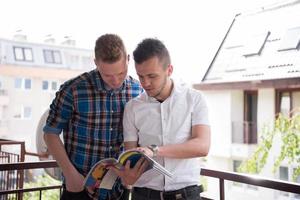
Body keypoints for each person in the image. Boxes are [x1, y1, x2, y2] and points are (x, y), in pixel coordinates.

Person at [43, 34, 143, 200]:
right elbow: (50, 133)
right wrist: (70, 175)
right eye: (107, 75)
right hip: (79, 186)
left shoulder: (138, 91)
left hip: (120, 188)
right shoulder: (73, 90)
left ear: (128, 59)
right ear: (96, 62)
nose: (115, 81)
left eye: (121, 73)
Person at [112, 38, 211, 200]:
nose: (145, 83)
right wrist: (128, 176)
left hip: (186, 194)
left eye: (152, 76)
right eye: (141, 76)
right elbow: (130, 154)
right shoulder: (132, 107)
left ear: (169, 70)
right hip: (144, 195)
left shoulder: (194, 99)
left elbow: (202, 146)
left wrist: (155, 150)